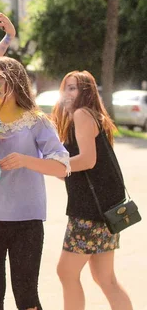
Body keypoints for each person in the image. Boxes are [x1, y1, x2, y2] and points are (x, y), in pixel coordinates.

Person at [0, 57, 70, 310]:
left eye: (1, 77)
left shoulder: (37, 121)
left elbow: (61, 167)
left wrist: (27, 160)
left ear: (16, 81)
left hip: (27, 222)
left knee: (26, 294)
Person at [51, 71, 132, 310]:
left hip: (90, 212)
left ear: (86, 92)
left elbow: (87, 161)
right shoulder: (91, 115)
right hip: (106, 210)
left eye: (73, 88)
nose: (67, 93)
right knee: (105, 278)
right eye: (65, 87)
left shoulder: (82, 114)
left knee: (66, 272)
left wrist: (50, 166)